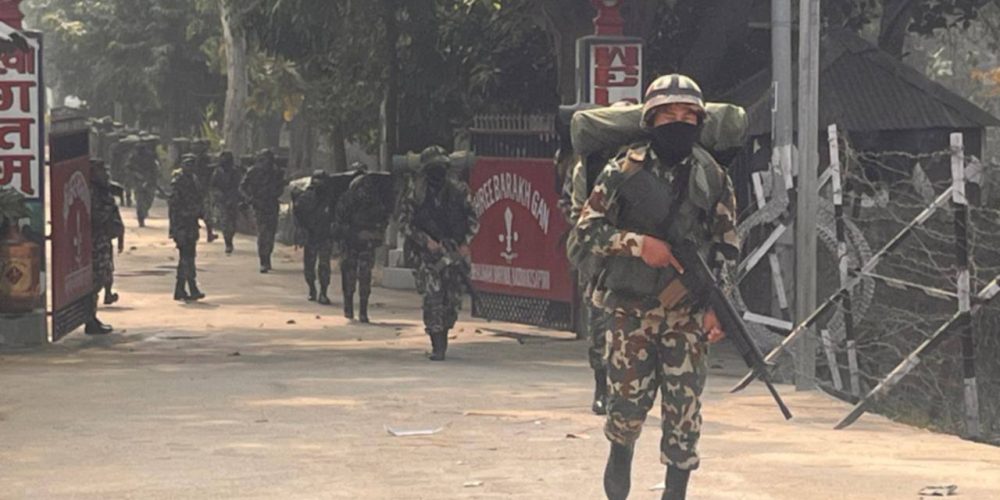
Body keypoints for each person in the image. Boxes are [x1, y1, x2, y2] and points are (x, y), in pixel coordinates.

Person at [573, 74, 740, 500]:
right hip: (630, 313)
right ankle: (619, 471)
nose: (679, 123)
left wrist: (717, 306)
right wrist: (637, 245)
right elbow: (587, 230)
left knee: (684, 421)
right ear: (651, 120)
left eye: (688, 115)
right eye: (669, 115)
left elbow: (726, 245)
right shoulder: (623, 170)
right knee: (625, 418)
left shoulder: (711, 175)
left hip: (687, 315)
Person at [399, 146, 479, 361]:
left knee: (451, 299)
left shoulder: (458, 190)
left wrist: (465, 243)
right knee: (433, 296)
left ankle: (443, 333)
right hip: (425, 255)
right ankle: (437, 344)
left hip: (453, 251)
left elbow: (473, 219)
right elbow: (405, 224)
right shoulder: (416, 193)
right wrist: (426, 241)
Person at [333, 168, 392, 322]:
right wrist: (357, 234)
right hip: (353, 243)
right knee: (355, 276)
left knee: (359, 276)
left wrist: (372, 234)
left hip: (363, 244)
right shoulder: (350, 200)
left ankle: (358, 310)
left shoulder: (371, 201)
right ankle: (354, 309)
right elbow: (339, 224)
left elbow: (382, 221)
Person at [86, 159, 124, 334]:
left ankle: (91, 317)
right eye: (102, 171)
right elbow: (95, 216)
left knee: (103, 276)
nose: (106, 174)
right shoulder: (92, 192)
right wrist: (108, 211)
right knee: (95, 280)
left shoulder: (102, 190)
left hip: (103, 240)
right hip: (94, 242)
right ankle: (89, 319)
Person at [241, 149, 287, 273]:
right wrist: (250, 198)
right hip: (259, 205)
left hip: (271, 204)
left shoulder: (276, 172)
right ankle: (263, 260)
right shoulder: (253, 171)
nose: (267, 162)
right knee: (262, 233)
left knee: (271, 233)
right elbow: (243, 187)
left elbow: (281, 187)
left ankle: (267, 257)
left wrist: (275, 194)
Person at [292, 170, 335, 304]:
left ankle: (323, 292)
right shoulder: (305, 198)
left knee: (324, 265)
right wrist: (301, 231)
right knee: (310, 267)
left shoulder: (331, 199)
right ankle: (312, 289)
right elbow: (297, 215)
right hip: (310, 235)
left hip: (325, 235)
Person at [169, 154, 207, 302]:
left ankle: (182, 289)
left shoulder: (194, 181)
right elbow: (174, 206)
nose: (190, 167)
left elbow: (199, 201)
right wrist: (175, 227)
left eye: (192, 164)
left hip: (191, 223)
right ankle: (189, 287)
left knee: (188, 257)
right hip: (182, 225)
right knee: (186, 257)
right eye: (188, 164)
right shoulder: (178, 182)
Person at [211, 151, 243, 254]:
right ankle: (228, 243)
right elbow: (213, 186)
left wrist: (237, 197)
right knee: (225, 222)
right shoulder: (217, 172)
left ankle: (230, 238)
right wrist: (218, 195)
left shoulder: (236, 172)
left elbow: (239, 186)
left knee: (233, 222)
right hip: (222, 200)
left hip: (233, 199)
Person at [128, 137, 160, 228]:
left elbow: (154, 168)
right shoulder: (133, 157)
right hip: (138, 181)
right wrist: (136, 174)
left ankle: (144, 211)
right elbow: (129, 167)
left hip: (149, 180)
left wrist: (152, 178)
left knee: (149, 199)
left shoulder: (150, 156)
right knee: (140, 200)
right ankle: (141, 218)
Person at [191, 139, 217, 242]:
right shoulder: (202, 158)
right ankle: (208, 233)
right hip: (200, 188)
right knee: (205, 212)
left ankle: (209, 233)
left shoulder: (199, 158)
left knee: (204, 211)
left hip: (200, 188)